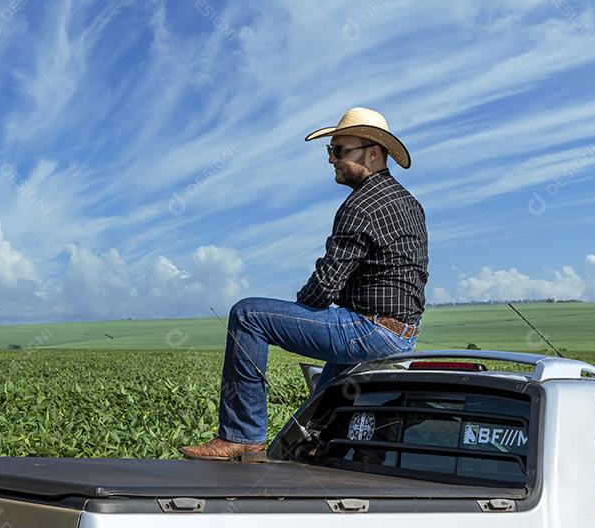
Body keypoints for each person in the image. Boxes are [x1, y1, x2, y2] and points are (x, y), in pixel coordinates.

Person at [180, 107, 429, 462]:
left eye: (340, 151)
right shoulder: (410, 203)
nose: (332, 160)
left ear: (373, 153)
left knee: (249, 315)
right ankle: (347, 457)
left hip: (367, 331)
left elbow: (324, 287)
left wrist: (299, 307)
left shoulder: (360, 205)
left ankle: (242, 437)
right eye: (329, 151)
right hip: (403, 334)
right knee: (317, 423)